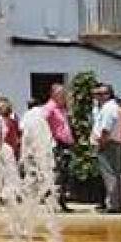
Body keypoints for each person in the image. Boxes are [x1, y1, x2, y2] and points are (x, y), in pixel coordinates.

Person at [91, 83, 121, 214]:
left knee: (110, 175)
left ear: (108, 94)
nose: (97, 96)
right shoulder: (111, 107)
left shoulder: (109, 108)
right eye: (97, 94)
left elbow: (105, 130)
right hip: (111, 143)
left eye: (100, 94)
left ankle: (113, 205)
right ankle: (117, 203)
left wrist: (101, 145)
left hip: (108, 144)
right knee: (114, 174)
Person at [43, 83, 74, 212]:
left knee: (64, 174)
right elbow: (42, 122)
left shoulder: (61, 108)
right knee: (58, 174)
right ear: (53, 94)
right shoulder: (50, 107)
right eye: (61, 94)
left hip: (66, 144)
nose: (63, 96)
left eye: (64, 93)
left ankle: (61, 201)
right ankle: (53, 201)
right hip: (57, 144)